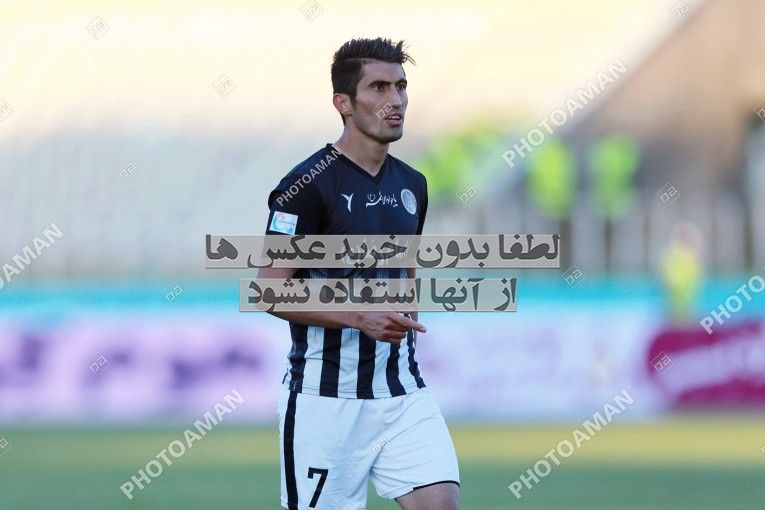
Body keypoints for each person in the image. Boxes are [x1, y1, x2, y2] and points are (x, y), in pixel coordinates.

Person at [258, 37, 460, 510]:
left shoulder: (413, 184)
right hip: (326, 401)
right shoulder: (305, 186)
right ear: (343, 103)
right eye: (379, 88)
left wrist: (403, 310)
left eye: (401, 87)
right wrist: (358, 316)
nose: (396, 101)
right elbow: (269, 290)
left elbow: (407, 271)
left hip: (401, 391)